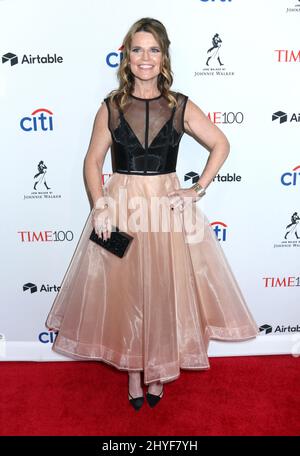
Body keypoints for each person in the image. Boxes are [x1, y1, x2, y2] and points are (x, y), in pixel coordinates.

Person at [45, 17, 259, 411]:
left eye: (154, 50)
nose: (146, 58)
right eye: (138, 49)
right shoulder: (111, 106)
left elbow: (221, 144)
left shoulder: (179, 105)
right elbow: (92, 162)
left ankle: (158, 372)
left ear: (164, 57)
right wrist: (100, 205)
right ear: (127, 57)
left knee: (162, 289)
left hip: (166, 207)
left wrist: (196, 190)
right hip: (123, 206)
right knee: (128, 292)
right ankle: (132, 370)